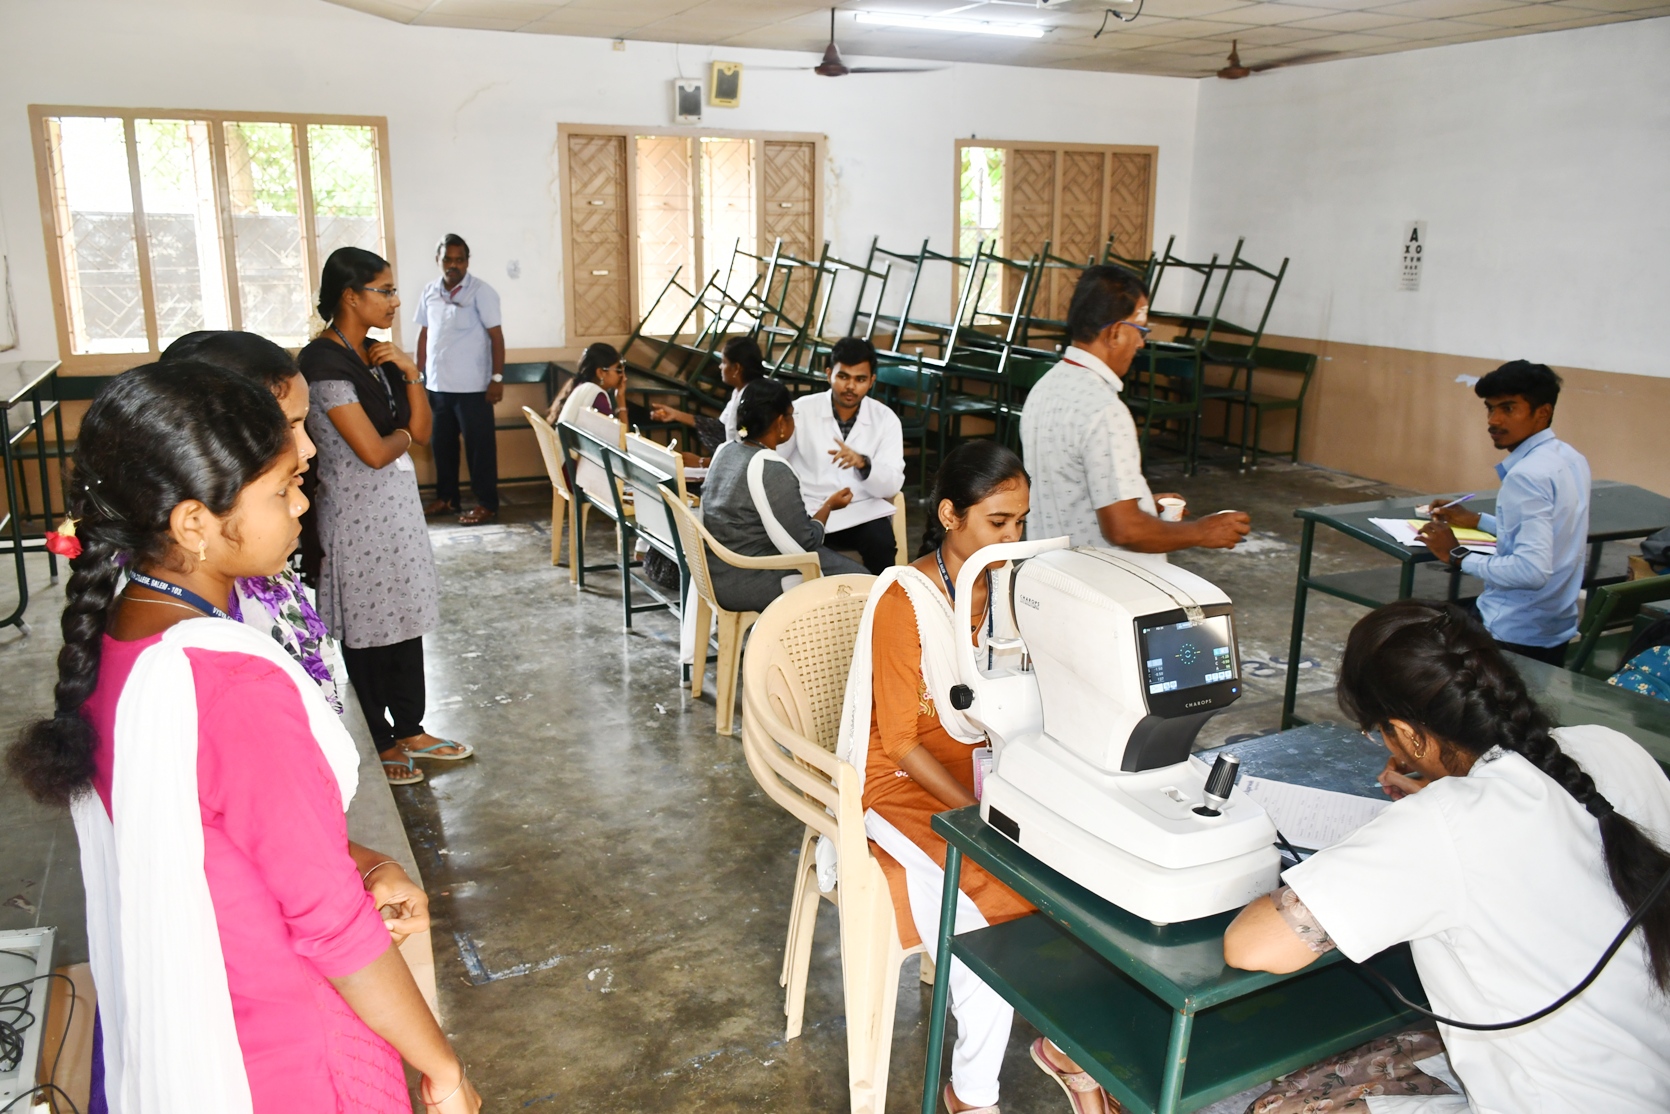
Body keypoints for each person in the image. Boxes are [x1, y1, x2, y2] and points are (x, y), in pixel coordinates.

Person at [6, 363, 481, 1113]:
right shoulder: (232, 684)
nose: (301, 505)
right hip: (285, 1051)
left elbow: (214, 825)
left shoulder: (123, 632)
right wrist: (442, 1067)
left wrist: (364, 859)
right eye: (282, 489)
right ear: (195, 522)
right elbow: (331, 928)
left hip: (205, 1004)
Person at [1223, 599, 1670, 1114]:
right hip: (1648, 1078)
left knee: (1279, 1106)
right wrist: (1447, 786)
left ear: (1410, 734)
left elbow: (1255, 947)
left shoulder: (1443, 824)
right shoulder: (1610, 746)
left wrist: (1433, 811)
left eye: (1381, 733)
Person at [834, 440, 1104, 1114]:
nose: (1013, 538)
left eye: (1021, 522)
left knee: (1092, 863)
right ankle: (972, 1094)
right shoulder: (905, 598)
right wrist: (985, 822)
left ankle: (1070, 1044)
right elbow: (898, 742)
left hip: (978, 770)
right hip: (897, 784)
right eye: (998, 522)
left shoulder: (1008, 587)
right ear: (951, 515)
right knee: (985, 903)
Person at [300, 247, 473, 786]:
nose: (396, 301)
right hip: (354, 519)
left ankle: (413, 727)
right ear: (351, 296)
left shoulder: (377, 357)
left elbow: (419, 432)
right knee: (368, 630)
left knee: (402, 622)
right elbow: (373, 450)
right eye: (385, 290)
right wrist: (396, 435)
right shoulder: (323, 364)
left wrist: (412, 373)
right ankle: (381, 737)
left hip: (394, 514)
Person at [160, 330, 341, 712]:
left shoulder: (248, 549)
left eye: (303, 424)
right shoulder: (185, 609)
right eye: (287, 426)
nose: (306, 448)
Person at [1020, 265, 1249, 557]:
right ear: (1115, 332)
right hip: (1104, 582)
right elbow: (1124, 530)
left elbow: (1067, 488)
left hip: (1055, 572)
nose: (1142, 342)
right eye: (1140, 330)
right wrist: (1203, 530)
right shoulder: (1104, 410)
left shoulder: (1045, 388)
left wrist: (1137, 502)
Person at [1419, 361, 1592, 666]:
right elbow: (1546, 531)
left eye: (1508, 409)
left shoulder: (1526, 475)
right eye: (1490, 408)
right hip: (1556, 625)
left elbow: (1532, 572)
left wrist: (1455, 555)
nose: (1494, 420)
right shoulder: (1570, 458)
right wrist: (1477, 521)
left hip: (1513, 632)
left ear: (1543, 412)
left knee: (1413, 637)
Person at [697, 377, 863, 613]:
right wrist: (828, 507)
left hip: (716, 571)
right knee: (864, 584)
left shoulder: (725, 451)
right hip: (751, 578)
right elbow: (804, 544)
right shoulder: (771, 468)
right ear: (780, 423)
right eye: (791, 415)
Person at [778, 336, 906, 574]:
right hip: (810, 508)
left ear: (871, 381)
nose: (850, 387)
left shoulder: (885, 419)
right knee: (793, 548)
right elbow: (775, 460)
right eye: (843, 377)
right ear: (829, 375)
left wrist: (864, 464)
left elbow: (892, 484)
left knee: (882, 543)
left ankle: (879, 605)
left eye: (860, 379)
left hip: (861, 510)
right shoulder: (801, 411)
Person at [415, 233, 505, 525]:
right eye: (447, 259)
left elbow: (496, 337)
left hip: (474, 388)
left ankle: (487, 503)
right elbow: (425, 334)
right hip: (439, 386)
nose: (453, 265)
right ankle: (448, 498)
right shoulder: (429, 291)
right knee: (442, 447)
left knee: (480, 450)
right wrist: (418, 377)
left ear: (467, 261)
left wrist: (497, 378)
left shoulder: (482, 292)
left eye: (459, 259)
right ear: (438, 260)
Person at [650, 334, 768, 465]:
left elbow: (746, 452)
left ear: (736, 368)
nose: (720, 367)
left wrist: (702, 462)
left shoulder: (757, 399)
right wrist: (676, 415)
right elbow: (719, 428)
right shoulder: (738, 391)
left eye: (724, 362)